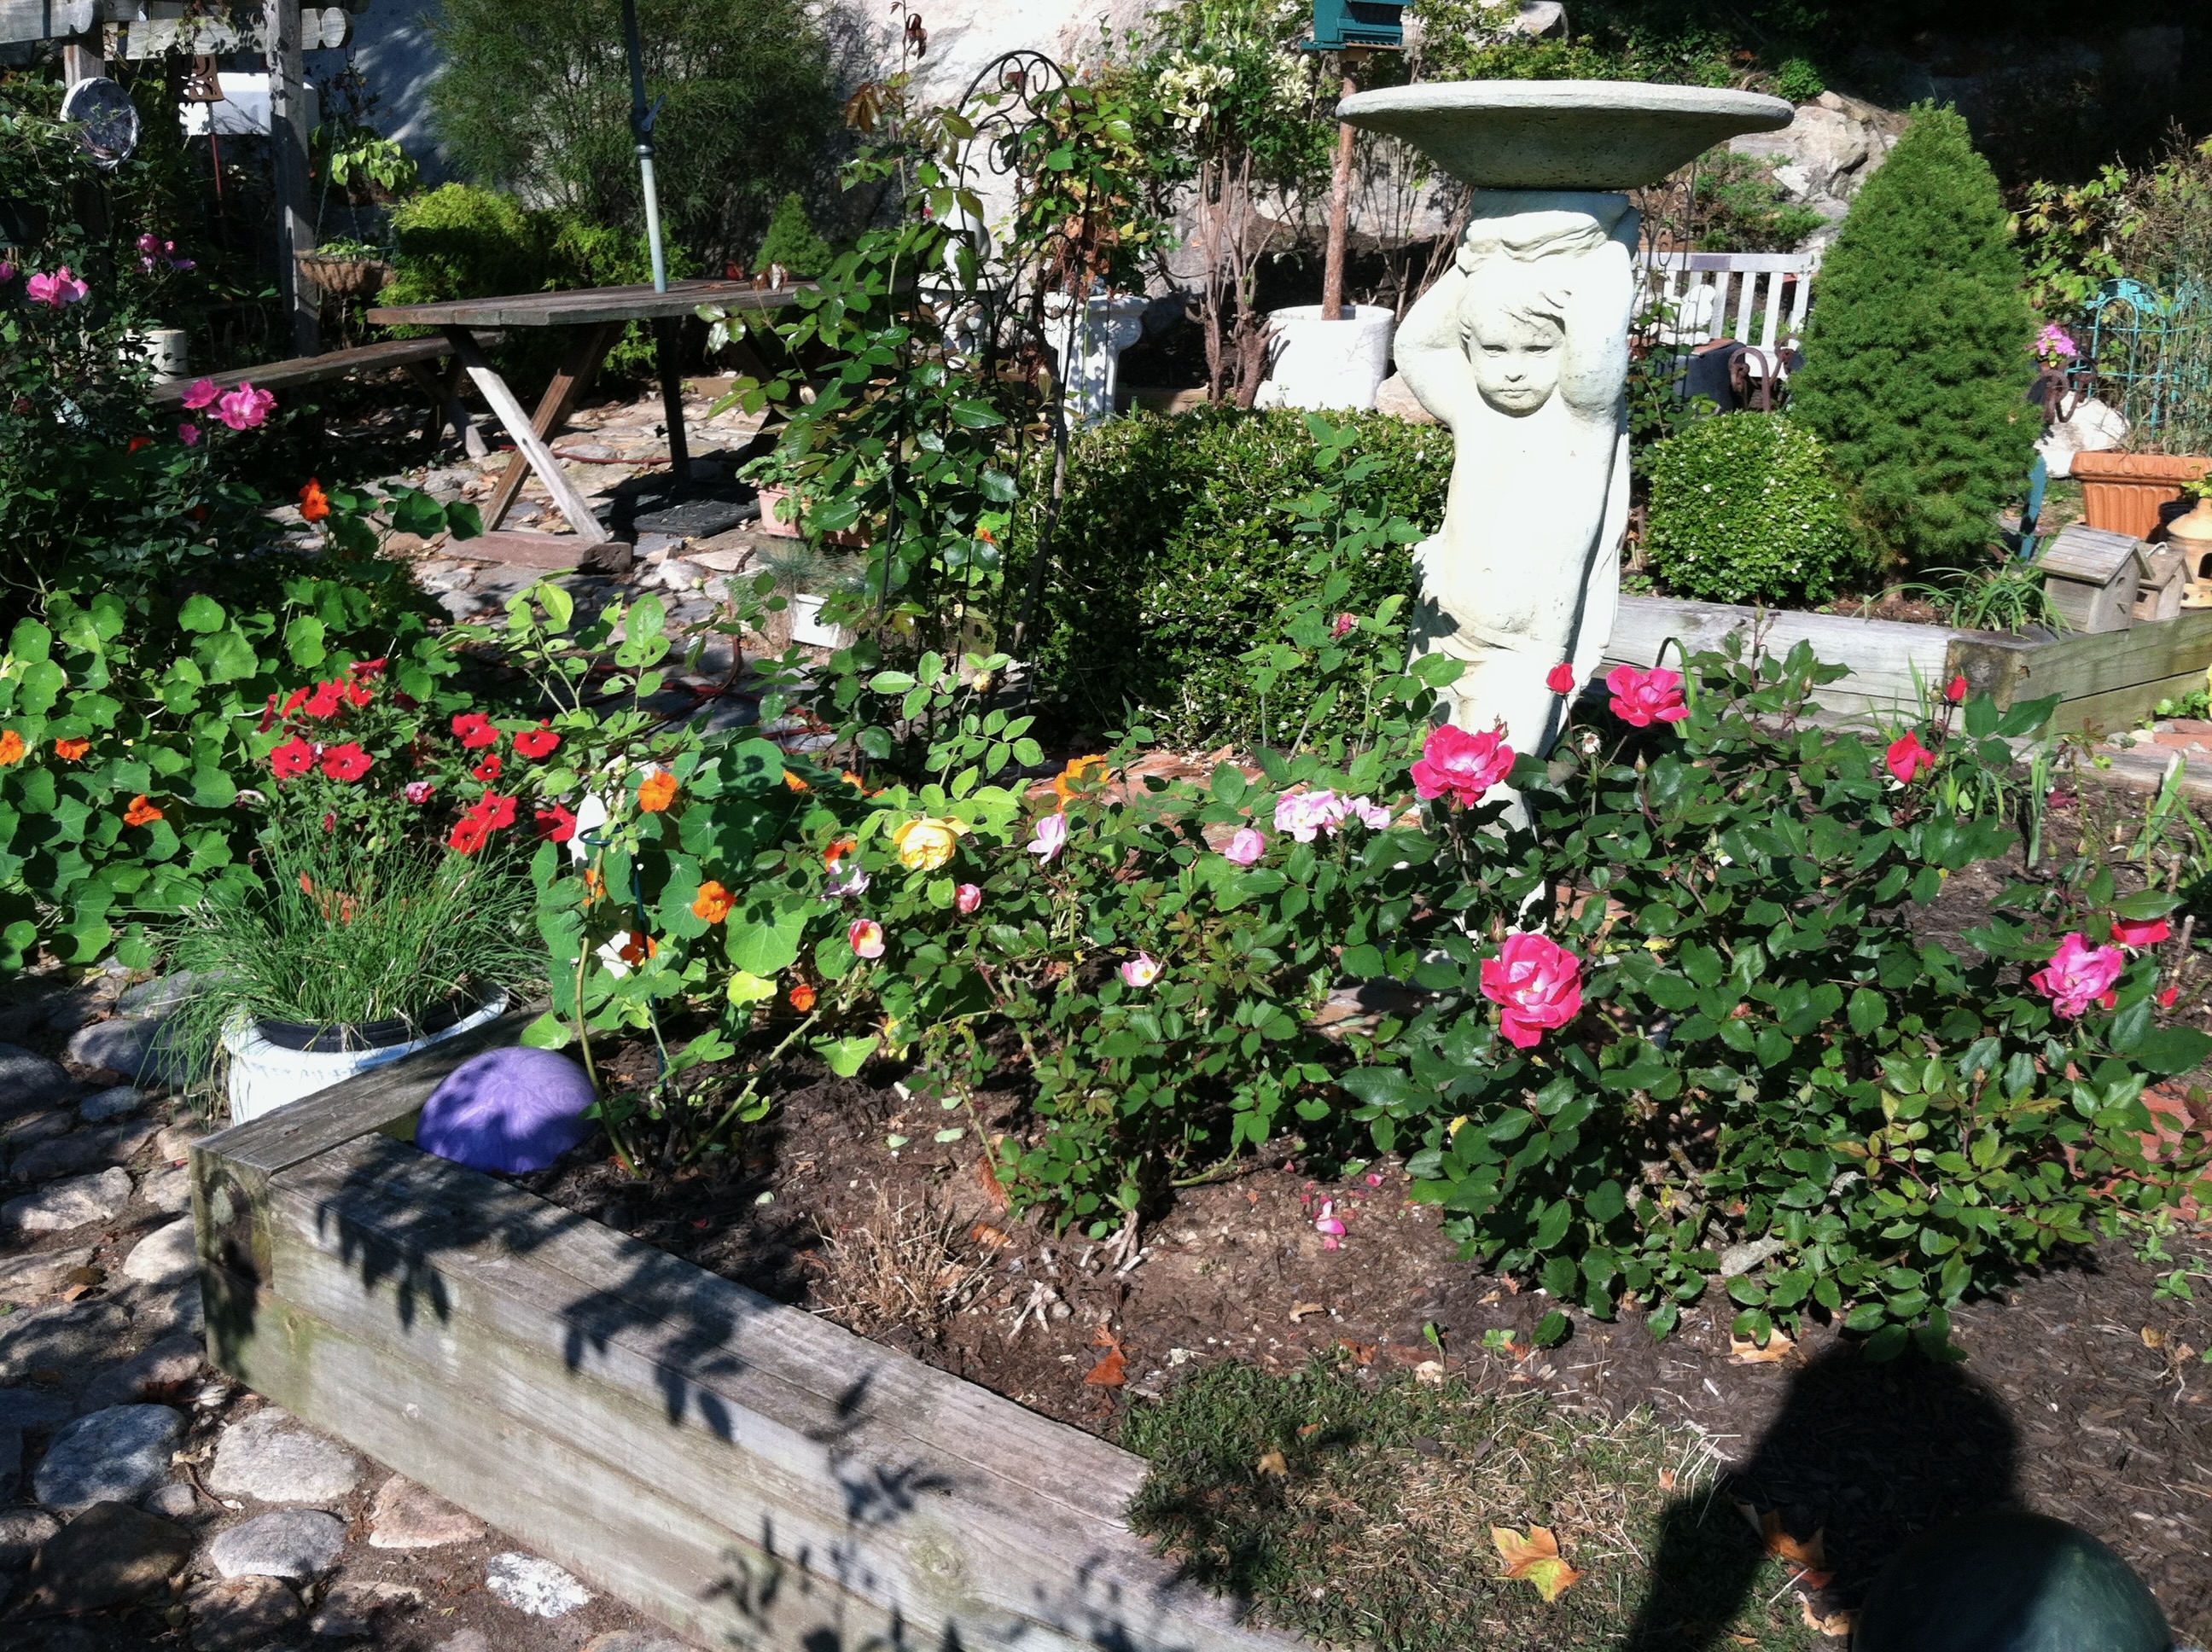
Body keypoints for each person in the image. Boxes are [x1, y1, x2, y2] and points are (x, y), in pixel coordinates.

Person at [1394, 192, 1639, 763]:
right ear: (1470, 346)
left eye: (1537, 349)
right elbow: (1416, 343)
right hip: (1442, 623)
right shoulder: (1473, 405)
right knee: (1424, 775)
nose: (1512, 369)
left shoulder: (1579, 421)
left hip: (1522, 649)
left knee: (1496, 792)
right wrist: (1476, 261)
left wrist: (1609, 253)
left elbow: (1597, 360)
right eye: (1495, 348)